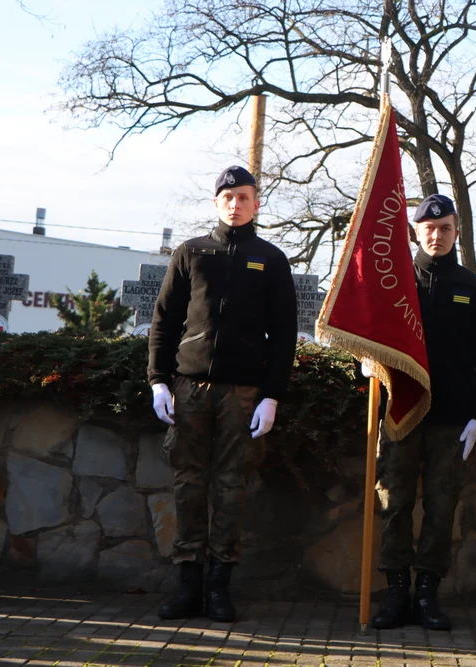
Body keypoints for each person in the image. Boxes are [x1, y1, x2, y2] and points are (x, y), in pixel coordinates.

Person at [147, 166, 298, 623]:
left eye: (244, 197)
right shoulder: (190, 253)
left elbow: (285, 334)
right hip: (188, 389)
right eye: (228, 197)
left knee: (232, 488)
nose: (236, 204)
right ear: (216, 202)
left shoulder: (271, 259)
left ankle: (218, 587)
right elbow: (164, 321)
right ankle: (188, 585)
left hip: (244, 393)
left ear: (256, 203)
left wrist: (271, 396)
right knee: (189, 485)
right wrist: (158, 380)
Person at [369, 193, 476, 631]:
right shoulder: (393, 282)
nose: (437, 234)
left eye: (445, 227)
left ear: (456, 232)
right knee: (394, 504)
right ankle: (395, 595)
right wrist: (366, 361)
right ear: (415, 231)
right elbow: (366, 332)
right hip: (400, 413)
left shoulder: (474, 288)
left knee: (442, 507)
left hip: (452, 418)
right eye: (429, 228)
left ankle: (427, 595)